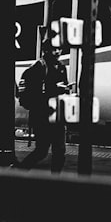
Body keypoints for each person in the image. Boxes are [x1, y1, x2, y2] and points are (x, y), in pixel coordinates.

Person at [14, 38, 70, 171]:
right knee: (42, 151)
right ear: (45, 50)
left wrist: (66, 90)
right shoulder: (37, 68)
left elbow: (60, 88)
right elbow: (31, 93)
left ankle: (55, 181)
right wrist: (54, 88)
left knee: (60, 151)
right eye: (54, 49)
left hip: (57, 115)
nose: (57, 52)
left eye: (59, 49)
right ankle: (19, 171)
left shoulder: (61, 67)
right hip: (41, 116)